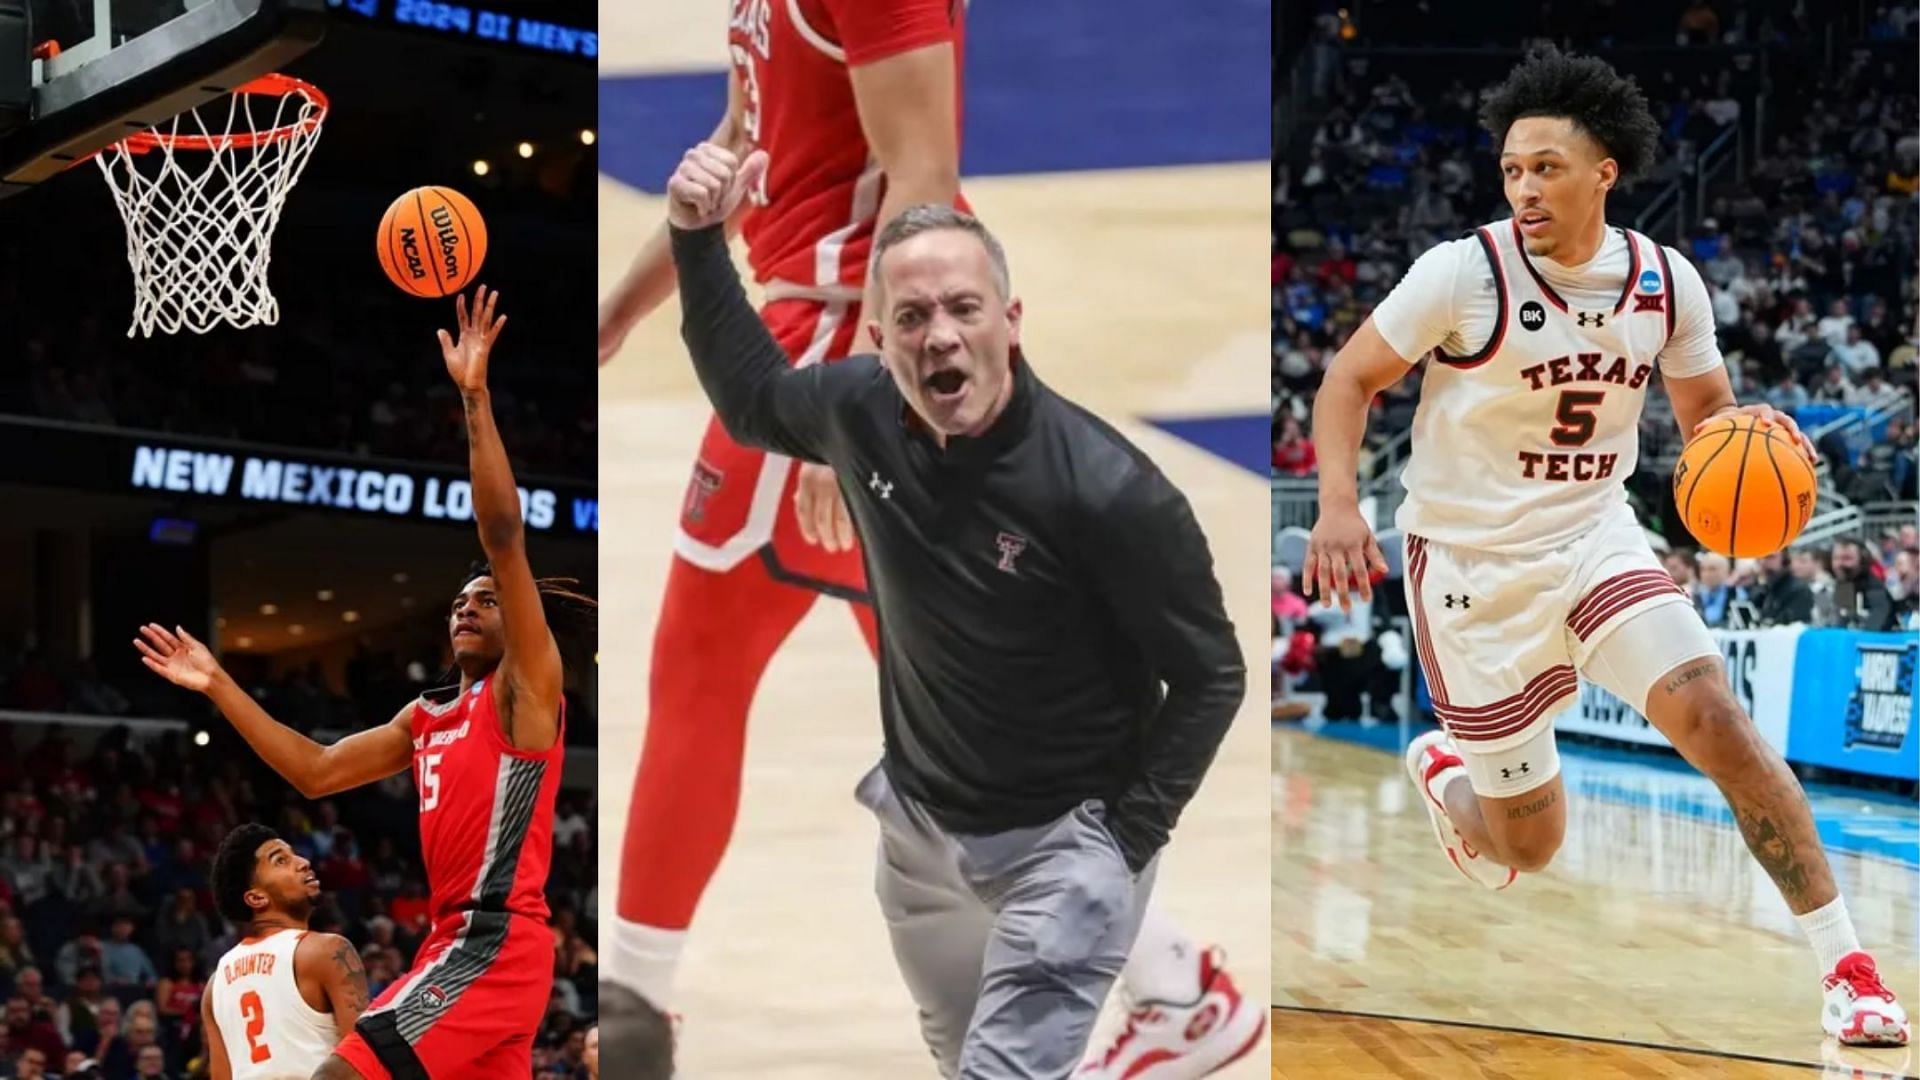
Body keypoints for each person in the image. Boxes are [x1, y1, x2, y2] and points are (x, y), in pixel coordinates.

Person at [600, 4, 1257, 1072]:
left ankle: (630, 1004)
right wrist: (624, 304)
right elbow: (743, 138)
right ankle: (1175, 984)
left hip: (844, 333)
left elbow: (923, 176)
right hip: (813, 331)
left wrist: (852, 419)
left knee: (706, 666)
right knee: (954, 708)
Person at [1306, 45, 1907, 1047]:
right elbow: (1346, 381)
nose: (1525, 186)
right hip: (1470, 571)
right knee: (1526, 851)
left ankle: (1848, 969)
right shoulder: (1463, 274)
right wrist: (1336, 503)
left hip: (1594, 537)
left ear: (1603, 173)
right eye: (1511, 170)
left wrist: (1759, 444)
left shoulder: (1666, 284)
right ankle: (1445, 773)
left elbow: (1710, 418)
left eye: (1546, 166)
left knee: (1720, 719)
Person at [135, 288, 592, 1078]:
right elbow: (314, 772)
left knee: (341, 1075)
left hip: (492, 942)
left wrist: (474, 397)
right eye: (459, 599)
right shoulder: (425, 717)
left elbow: (503, 535)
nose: (467, 605)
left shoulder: (524, 690)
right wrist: (218, 684)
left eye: (486, 600)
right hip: (459, 945)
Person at [201, 825, 365, 1079]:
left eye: (294, 854)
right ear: (256, 898)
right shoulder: (326, 951)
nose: (303, 863)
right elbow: (364, 1064)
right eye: (281, 860)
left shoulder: (215, 985)